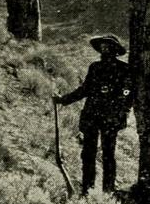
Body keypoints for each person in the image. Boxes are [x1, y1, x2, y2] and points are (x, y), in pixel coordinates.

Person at [52, 34, 132, 195]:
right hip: (91, 117)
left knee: (108, 154)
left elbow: (128, 94)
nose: (104, 49)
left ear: (115, 49)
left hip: (111, 119)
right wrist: (63, 99)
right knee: (88, 154)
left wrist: (121, 112)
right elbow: (84, 90)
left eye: (108, 46)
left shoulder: (124, 69)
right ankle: (87, 189)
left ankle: (108, 191)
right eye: (102, 46)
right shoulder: (94, 68)